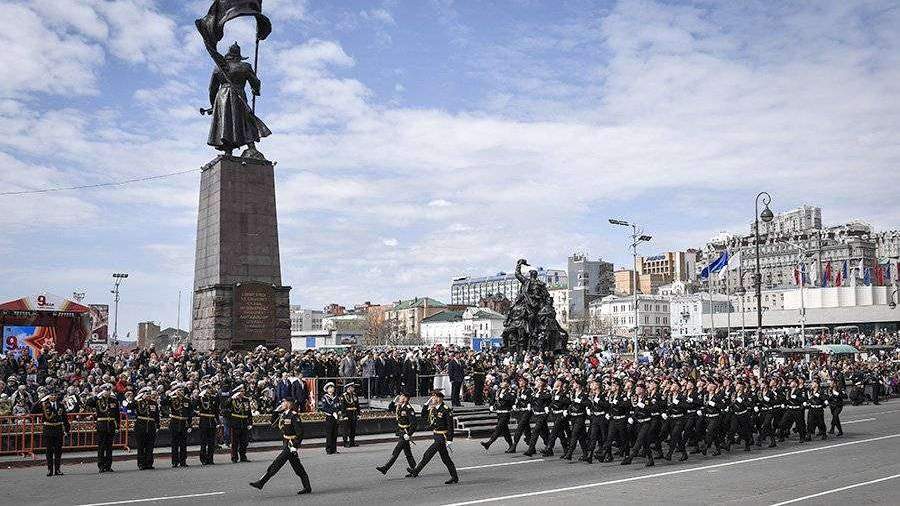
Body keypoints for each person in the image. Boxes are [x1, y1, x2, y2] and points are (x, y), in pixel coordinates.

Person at [249, 398, 312, 495]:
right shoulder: (283, 414)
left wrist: (295, 445)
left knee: (277, 463)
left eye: (284, 402)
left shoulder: (294, 416)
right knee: (297, 467)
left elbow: (300, 433)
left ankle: (261, 482)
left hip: (291, 444)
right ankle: (307, 487)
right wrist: (275, 412)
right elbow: (273, 424)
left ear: (289, 403)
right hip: (286, 442)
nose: (282, 404)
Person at [406, 389, 458, 484]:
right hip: (436, 435)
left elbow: (450, 426)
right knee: (445, 459)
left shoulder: (445, 409)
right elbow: (423, 416)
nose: (432, 398)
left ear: (439, 398)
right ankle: (454, 477)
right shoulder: (433, 408)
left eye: (434, 397)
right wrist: (426, 404)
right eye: (432, 397)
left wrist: (450, 439)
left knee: (427, 454)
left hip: (442, 437)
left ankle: (416, 471)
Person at [377, 392, 418, 476]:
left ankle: (385, 468)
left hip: (405, 432)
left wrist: (409, 434)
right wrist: (393, 401)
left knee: (397, 451)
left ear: (406, 398)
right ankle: (414, 469)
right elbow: (390, 408)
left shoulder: (408, 408)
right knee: (407, 452)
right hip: (401, 431)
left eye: (402, 396)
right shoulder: (399, 406)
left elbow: (414, 423)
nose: (400, 397)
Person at [85, 384, 119, 473]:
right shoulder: (98, 400)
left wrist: (117, 426)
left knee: (109, 447)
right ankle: (101, 465)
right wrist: (97, 396)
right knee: (101, 447)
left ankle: (108, 465)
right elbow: (88, 403)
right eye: (105, 390)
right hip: (102, 425)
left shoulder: (114, 400)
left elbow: (117, 415)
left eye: (109, 390)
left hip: (111, 425)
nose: (107, 392)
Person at [35, 390, 69, 476]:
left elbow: (65, 418)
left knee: (58, 450)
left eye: (55, 395)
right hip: (48, 429)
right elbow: (33, 410)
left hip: (58, 429)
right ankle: (50, 469)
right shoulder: (44, 405)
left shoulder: (60, 405)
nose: (53, 397)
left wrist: (67, 430)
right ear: (48, 396)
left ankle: (57, 469)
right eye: (51, 395)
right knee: (49, 450)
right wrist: (41, 400)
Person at [621, 383, 654, 467]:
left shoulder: (648, 399)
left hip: (646, 422)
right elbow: (631, 408)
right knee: (644, 442)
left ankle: (630, 457)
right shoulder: (634, 398)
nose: (636, 390)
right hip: (638, 422)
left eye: (638, 389)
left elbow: (652, 409)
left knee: (639, 439)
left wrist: (643, 406)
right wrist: (631, 417)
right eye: (636, 389)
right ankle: (650, 459)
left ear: (643, 390)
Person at [480, 378, 515, 452]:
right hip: (499, 413)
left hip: (505, 413)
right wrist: (491, 406)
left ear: (508, 384)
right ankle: (511, 446)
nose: (502, 383)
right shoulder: (498, 391)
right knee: (505, 431)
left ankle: (488, 443)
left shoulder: (510, 391)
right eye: (502, 381)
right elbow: (493, 399)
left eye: (504, 382)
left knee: (498, 428)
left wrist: (503, 396)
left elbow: (512, 399)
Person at [163, 384, 193, 467]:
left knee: (183, 444)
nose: (181, 392)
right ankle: (175, 462)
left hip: (183, 424)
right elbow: (163, 403)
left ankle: (183, 461)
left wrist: (190, 424)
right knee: (174, 444)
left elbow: (190, 413)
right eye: (179, 390)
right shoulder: (172, 399)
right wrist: (169, 395)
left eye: (182, 390)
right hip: (175, 423)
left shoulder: (187, 400)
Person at [523, 377, 552, 457]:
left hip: (542, 415)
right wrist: (529, 403)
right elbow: (530, 399)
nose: (536, 382)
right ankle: (549, 448)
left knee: (535, 431)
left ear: (542, 384)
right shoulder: (535, 391)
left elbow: (547, 397)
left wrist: (539, 395)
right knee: (544, 433)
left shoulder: (546, 391)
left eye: (538, 381)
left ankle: (531, 449)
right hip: (537, 414)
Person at [561, 380, 589, 461]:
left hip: (580, 417)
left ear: (579, 385)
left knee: (574, 434)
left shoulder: (584, 395)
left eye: (575, 383)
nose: (573, 384)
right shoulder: (572, 394)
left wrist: (581, 402)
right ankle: (585, 454)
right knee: (581, 437)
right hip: (573, 417)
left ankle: (569, 453)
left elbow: (588, 403)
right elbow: (571, 404)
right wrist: (567, 410)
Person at [133, 387, 160, 470]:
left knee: (150, 446)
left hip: (151, 426)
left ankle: (149, 463)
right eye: (146, 394)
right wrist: (137, 398)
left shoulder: (153, 403)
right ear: (142, 395)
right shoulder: (138, 402)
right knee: (141, 446)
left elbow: (156, 415)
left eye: (149, 394)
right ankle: (141, 463)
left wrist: (158, 424)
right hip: (141, 426)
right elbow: (130, 405)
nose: (148, 395)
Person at [226, 385, 252, 463]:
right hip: (235, 422)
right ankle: (234, 457)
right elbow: (225, 405)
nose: (243, 393)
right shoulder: (233, 400)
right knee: (234, 442)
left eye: (243, 391)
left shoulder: (246, 400)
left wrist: (250, 422)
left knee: (244, 442)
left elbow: (249, 412)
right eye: (241, 391)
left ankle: (243, 456)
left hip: (244, 422)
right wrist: (231, 398)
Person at [196, 383, 220, 465]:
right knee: (203, 442)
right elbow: (194, 405)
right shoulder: (201, 398)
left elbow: (216, 411)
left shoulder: (213, 398)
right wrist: (199, 396)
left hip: (212, 422)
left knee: (211, 442)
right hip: (204, 422)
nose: (209, 390)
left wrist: (218, 422)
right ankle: (203, 459)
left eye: (210, 388)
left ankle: (210, 458)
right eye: (208, 389)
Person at [510, 376, 534, 453]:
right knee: (527, 430)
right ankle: (532, 447)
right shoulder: (519, 391)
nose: (520, 382)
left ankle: (514, 446)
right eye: (519, 381)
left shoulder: (529, 390)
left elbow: (531, 400)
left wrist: (529, 404)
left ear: (525, 382)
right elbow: (518, 401)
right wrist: (515, 405)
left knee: (519, 428)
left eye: (521, 381)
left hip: (527, 411)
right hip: (520, 412)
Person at [319, 382, 341, 454]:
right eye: (330, 387)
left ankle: (334, 449)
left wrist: (338, 412)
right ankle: (328, 449)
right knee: (329, 434)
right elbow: (324, 408)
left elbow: (338, 406)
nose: (332, 389)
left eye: (333, 387)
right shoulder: (324, 398)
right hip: (329, 417)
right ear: (327, 389)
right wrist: (332, 413)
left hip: (336, 417)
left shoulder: (336, 397)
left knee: (335, 433)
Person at [341, 383, 360, 447]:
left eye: (353, 387)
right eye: (352, 387)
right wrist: (344, 415)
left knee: (353, 428)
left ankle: (352, 442)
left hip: (354, 413)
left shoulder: (354, 395)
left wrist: (358, 413)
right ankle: (345, 442)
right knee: (346, 429)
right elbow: (343, 406)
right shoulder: (344, 396)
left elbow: (357, 405)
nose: (353, 388)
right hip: (347, 413)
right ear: (348, 388)